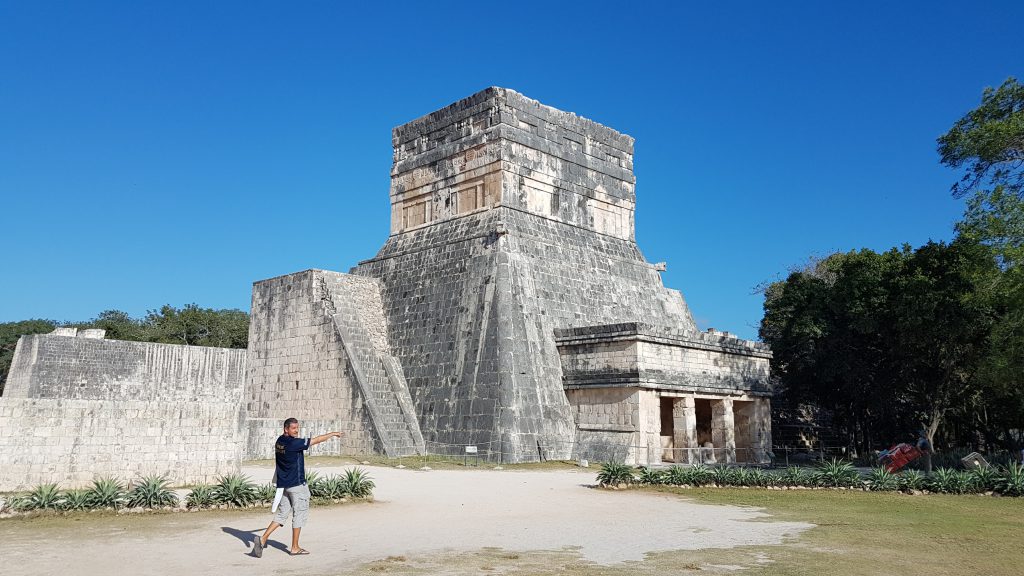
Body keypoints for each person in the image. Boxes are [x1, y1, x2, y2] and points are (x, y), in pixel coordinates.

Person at [252, 417, 343, 557]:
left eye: (297, 428)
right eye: (293, 428)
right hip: (297, 485)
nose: (296, 431)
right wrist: (333, 434)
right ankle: (295, 547)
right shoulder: (294, 444)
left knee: (282, 514)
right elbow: (316, 440)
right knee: (299, 515)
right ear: (286, 429)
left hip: (284, 486)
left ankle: (263, 539)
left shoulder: (279, 441)